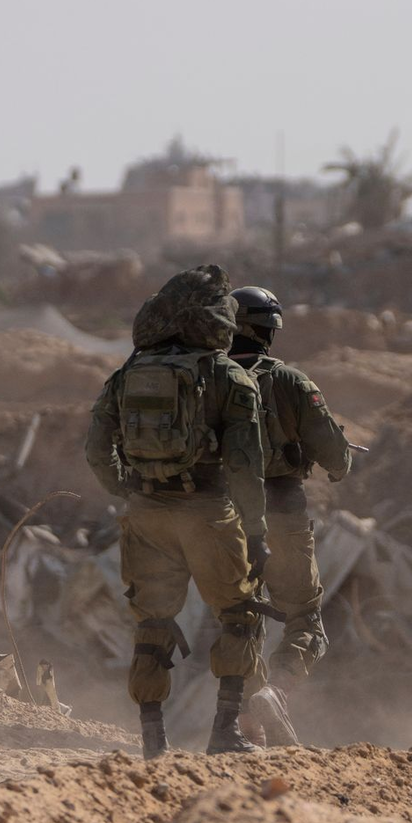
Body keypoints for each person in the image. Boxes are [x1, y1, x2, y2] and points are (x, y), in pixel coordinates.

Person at [85, 265, 269, 760]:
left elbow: (96, 448)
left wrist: (126, 489)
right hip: (208, 512)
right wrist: (256, 532)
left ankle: (153, 738)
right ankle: (225, 731)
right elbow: (246, 465)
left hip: (146, 514)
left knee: (152, 623)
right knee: (239, 615)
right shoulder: (229, 376)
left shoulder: (128, 374)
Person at [227, 286, 352, 746]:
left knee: (238, 618)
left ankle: (247, 723)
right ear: (271, 330)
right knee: (304, 618)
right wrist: (336, 461)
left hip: (221, 515)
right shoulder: (290, 381)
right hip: (280, 508)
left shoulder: (207, 380)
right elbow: (336, 456)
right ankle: (275, 692)